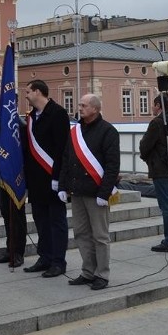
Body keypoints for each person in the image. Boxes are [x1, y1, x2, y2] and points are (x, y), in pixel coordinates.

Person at [57, 94, 120, 291]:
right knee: (81, 233)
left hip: (96, 194)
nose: (80, 108)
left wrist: (104, 193)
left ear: (95, 109)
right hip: (77, 191)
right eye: (80, 105)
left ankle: (102, 274)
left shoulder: (108, 131)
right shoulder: (75, 131)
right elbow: (67, 160)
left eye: (83, 105)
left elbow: (112, 166)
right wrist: (62, 186)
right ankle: (88, 271)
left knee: (100, 236)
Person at [21, 80, 70, 278]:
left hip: (53, 178)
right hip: (36, 180)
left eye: (28, 91)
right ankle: (45, 257)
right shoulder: (32, 117)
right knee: (40, 220)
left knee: (56, 222)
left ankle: (58, 261)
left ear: (38, 92)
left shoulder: (58, 114)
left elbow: (62, 149)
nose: (25, 95)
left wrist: (58, 178)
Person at [139, 93, 168, 252]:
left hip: (161, 168)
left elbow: (145, 145)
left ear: (158, 105)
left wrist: (144, 155)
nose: (152, 107)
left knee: (167, 205)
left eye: (153, 104)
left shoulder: (157, 123)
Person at [0, 188, 26, 268]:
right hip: (2, 182)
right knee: (6, 212)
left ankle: (18, 253)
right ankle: (10, 250)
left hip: (16, 181)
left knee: (17, 215)